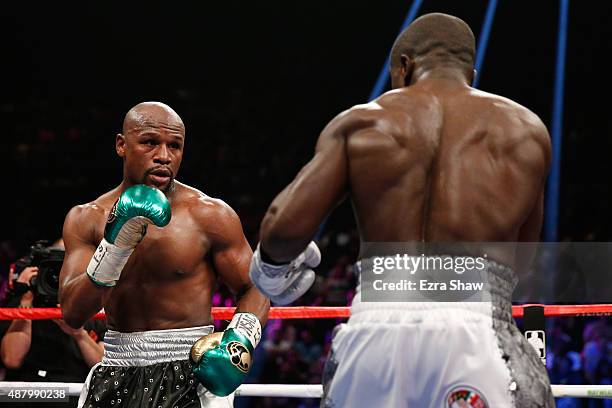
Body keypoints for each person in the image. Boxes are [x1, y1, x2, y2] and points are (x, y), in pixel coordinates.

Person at [249, 13, 554, 407]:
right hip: (478, 332)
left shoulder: (362, 122)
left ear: (404, 66)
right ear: (470, 72)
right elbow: (523, 261)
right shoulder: (525, 129)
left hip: (374, 334)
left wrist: (270, 271)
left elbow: (281, 231)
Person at [59, 102, 269, 408]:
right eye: (149, 142)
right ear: (121, 145)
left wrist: (240, 340)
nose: (164, 156)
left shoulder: (209, 214)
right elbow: (74, 313)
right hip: (116, 366)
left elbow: (255, 286)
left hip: (191, 371)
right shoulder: (86, 218)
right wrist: (116, 246)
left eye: (175, 146)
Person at [1, 264, 105, 408]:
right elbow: (12, 359)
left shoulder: (93, 313)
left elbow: (102, 368)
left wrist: (79, 334)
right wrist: (26, 300)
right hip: (24, 391)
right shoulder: (17, 306)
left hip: (72, 391)